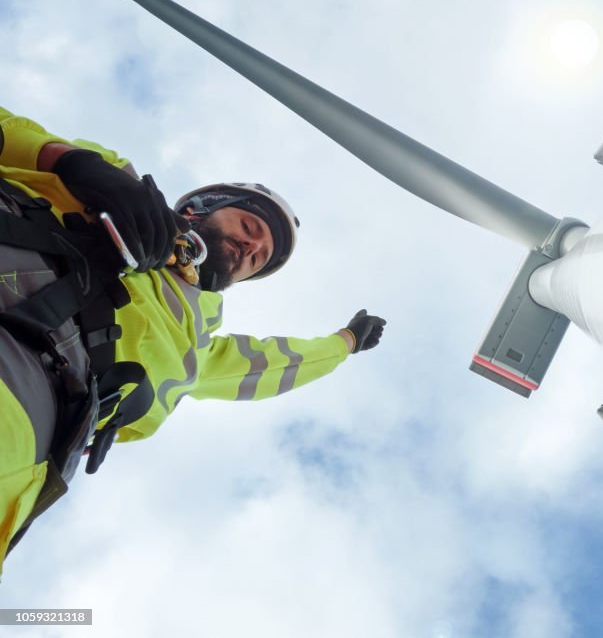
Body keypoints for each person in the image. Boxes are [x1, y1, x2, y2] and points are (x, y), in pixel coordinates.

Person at [0, 107, 386, 570]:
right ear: (198, 208)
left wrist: (343, 343)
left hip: (24, 423)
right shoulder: (108, 180)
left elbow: (275, 365)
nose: (251, 249)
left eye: (259, 258)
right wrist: (68, 162)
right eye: (249, 228)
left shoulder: (197, 348)